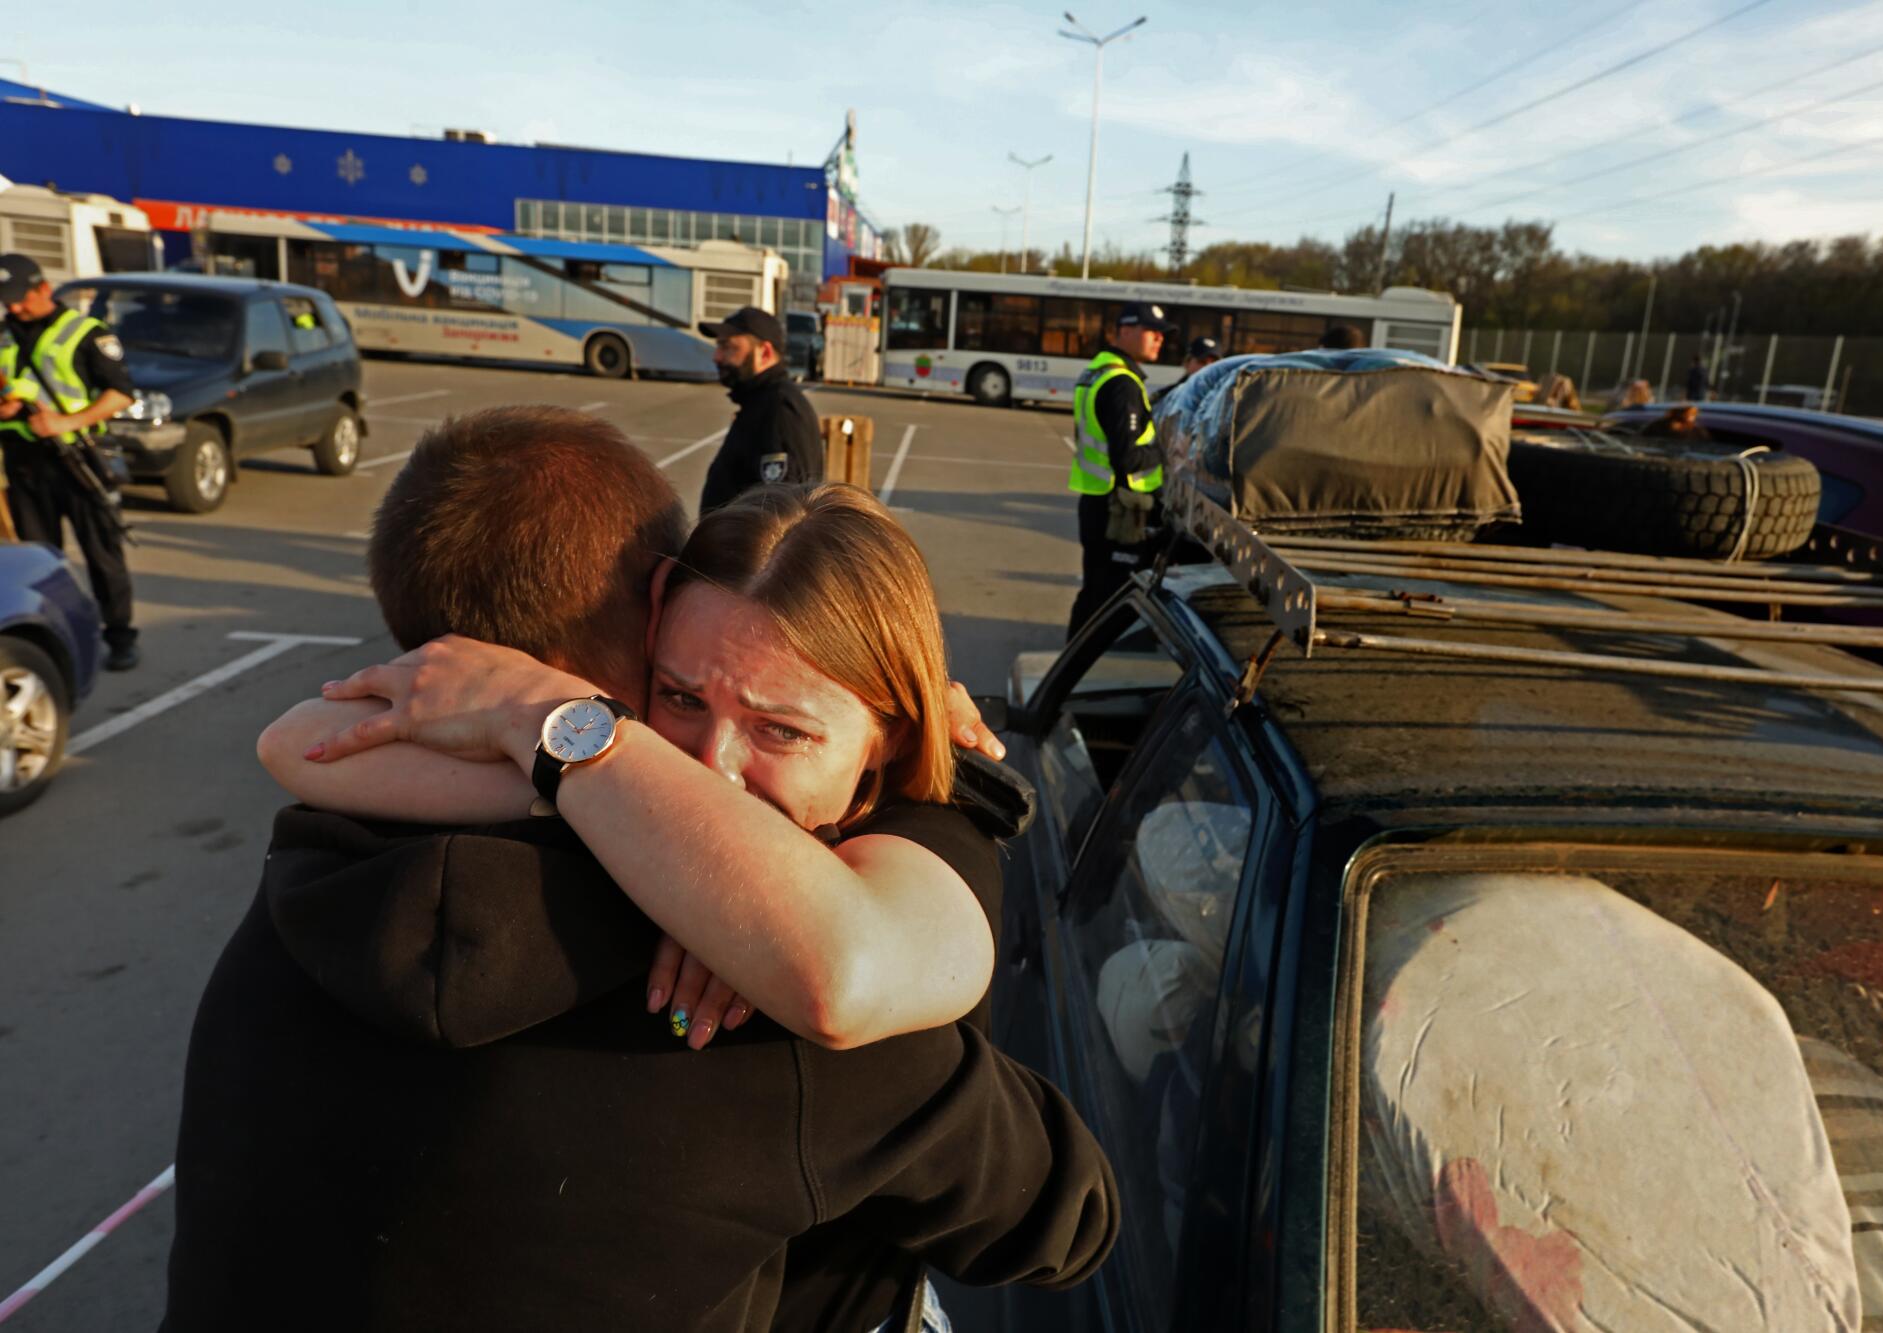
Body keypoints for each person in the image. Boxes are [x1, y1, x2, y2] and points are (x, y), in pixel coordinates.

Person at [166, 409, 1117, 1331]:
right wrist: (933, 805)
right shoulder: (764, 1004)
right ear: (654, 607)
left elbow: (297, 738)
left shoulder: (306, 882)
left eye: (781, 729)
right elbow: (1066, 1218)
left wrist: (561, 732)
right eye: (675, 699)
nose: (709, 775)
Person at [0, 254, 139, 669]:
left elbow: (121, 394)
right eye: (6, 300)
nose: (14, 308)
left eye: (20, 298)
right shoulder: (3, 334)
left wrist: (66, 421)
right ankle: (55, 640)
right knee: (41, 561)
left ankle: (119, 637)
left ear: (43, 288)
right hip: (26, 465)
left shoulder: (85, 333)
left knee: (102, 555)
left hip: (77, 460)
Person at [1067, 300, 1172, 638]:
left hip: (1097, 501)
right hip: (1118, 512)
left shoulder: (1096, 371)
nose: (1159, 339)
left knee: (1094, 593)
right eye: (1151, 332)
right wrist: (1163, 452)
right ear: (1124, 331)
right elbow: (1126, 459)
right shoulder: (1121, 384)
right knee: (1110, 599)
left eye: (1161, 334)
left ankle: (1073, 667)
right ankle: (1087, 677)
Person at [697, 305, 822, 513]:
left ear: (764, 353)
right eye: (719, 346)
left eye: (728, 347)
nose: (717, 357)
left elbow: (782, 513)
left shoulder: (779, 410)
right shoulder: (758, 402)